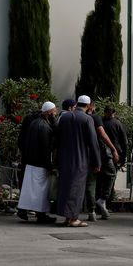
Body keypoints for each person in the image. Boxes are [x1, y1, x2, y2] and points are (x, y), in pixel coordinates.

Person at [55, 95, 101, 227]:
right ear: (87, 106)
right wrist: (97, 162)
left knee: (65, 187)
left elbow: (57, 137)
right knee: (76, 188)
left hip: (64, 158)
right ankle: (73, 218)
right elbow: (93, 142)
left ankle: (66, 218)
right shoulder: (87, 119)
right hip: (80, 158)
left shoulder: (65, 117)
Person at [16, 101, 58, 224]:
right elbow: (45, 148)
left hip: (30, 161)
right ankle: (41, 215)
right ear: (49, 112)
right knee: (40, 190)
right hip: (39, 163)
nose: (55, 114)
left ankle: (23, 210)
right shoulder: (44, 126)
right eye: (54, 112)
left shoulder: (34, 122)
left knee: (29, 189)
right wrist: (49, 166)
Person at [83, 100, 119, 221]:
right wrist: (113, 149)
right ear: (91, 107)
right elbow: (102, 135)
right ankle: (103, 199)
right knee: (111, 174)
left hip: (84, 153)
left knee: (90, 182)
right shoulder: (95, 117)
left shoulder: (75, 118)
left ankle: (91, 211)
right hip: (100, 152)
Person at [99, 105, 127, 219]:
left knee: (101, 179)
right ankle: (107, 202)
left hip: (101, 154)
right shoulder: (118, 124)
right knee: (111, 179)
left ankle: (99, 203)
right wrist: (124, 158)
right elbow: (124, 142)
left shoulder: (100, 123)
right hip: (115, 154)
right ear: (114, 113)